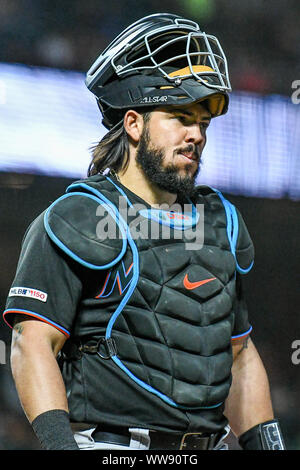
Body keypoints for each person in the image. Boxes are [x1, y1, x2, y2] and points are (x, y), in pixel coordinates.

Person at [3, 13, 286, 451]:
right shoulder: (78, 216)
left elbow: (241, 356)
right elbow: (32, 342)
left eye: (203, 123)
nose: (196, 135)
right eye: (179, 117)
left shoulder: (221, 220)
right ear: (133, 124)